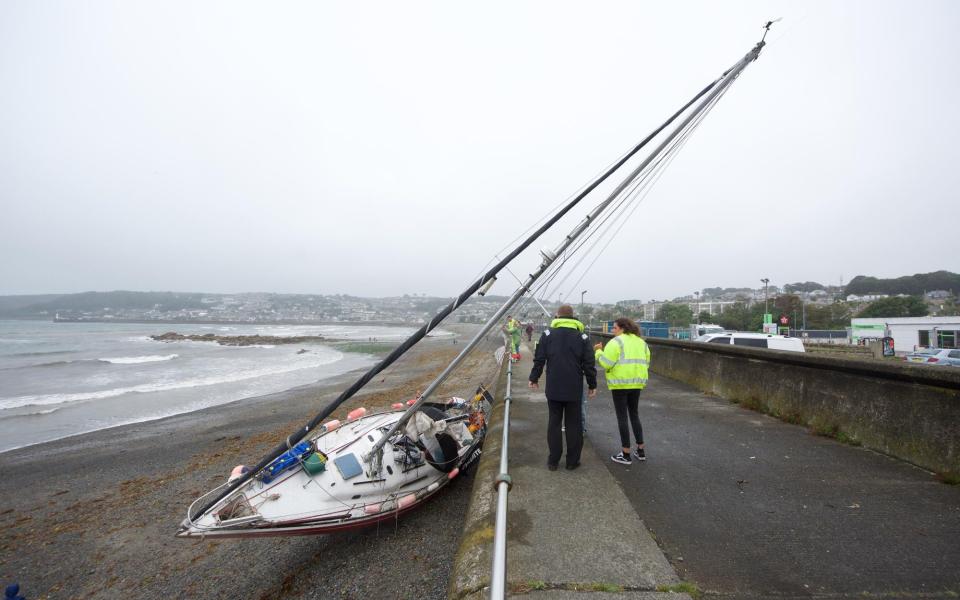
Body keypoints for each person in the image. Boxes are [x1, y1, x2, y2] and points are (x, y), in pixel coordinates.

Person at [529, 305, 597, 471]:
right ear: (573, 317)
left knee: (554, 423)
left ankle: (553, 461)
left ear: (557, 316)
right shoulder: (582, 337)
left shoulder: (547, 334)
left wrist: (534, 377)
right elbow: (589, 363)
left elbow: (540, 359)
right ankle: (572, 462)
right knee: (574, 425)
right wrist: (592, 384)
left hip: (554, 386)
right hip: (574, 387)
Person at [594, 317, 650, 464]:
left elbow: (606, 364)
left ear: (622, 328)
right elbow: (647, 362)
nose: (613, 330)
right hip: (637, 384)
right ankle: (641, 450)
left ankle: (625, 454)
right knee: (634, 415)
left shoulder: (616, 342)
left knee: (622, 417)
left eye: (614, 328)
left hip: (620, 384)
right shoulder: (641, 342)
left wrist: (599, 352)